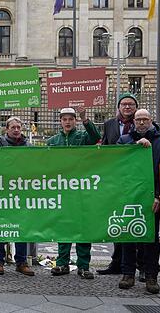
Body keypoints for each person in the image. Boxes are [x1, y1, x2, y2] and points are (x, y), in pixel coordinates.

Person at [0, 103, 35, 277]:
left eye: (19, 127)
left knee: (21, 227)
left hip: (21, 192)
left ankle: (21, 262)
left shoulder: (28, 146)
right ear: (6, 129)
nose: (16, 130)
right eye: (13, 127)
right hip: (1, 192)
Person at [117, 109, 160, 294]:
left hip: (152, 198)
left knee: (151, 238)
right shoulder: (124, 140)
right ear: (133, 121)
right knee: (127, 236)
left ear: (151, 121)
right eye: (138, 119)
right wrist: (135, 145)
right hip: (129, 196)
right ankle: (128, 273)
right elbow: (117, 164)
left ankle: (151, 275)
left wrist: (159, 195)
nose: (141, 123)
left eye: (144, 119)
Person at [47, 107, 101, 280]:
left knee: (83, 226)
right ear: (60, 121)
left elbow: (96, 138)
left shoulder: (83, 137)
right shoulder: (52, 141)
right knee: (63, 226)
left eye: (71, 119)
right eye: (64, 119)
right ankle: (62, 263)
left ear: (75, 121)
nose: (68, 122)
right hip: (61, 189)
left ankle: (83, 266)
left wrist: (86, 119)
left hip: (81, 189)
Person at [98, 93, 140, 276]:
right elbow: (105, 147)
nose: (127, 107)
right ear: (119, 107)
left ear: (136, 107)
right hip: (115, 178)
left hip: (136, 178)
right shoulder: (109, 124)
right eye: (124, 104)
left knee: (135, 223)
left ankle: (138, 265)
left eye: (131, 104)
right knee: (117, 219)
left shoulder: (143, 122)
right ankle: (116, 263)